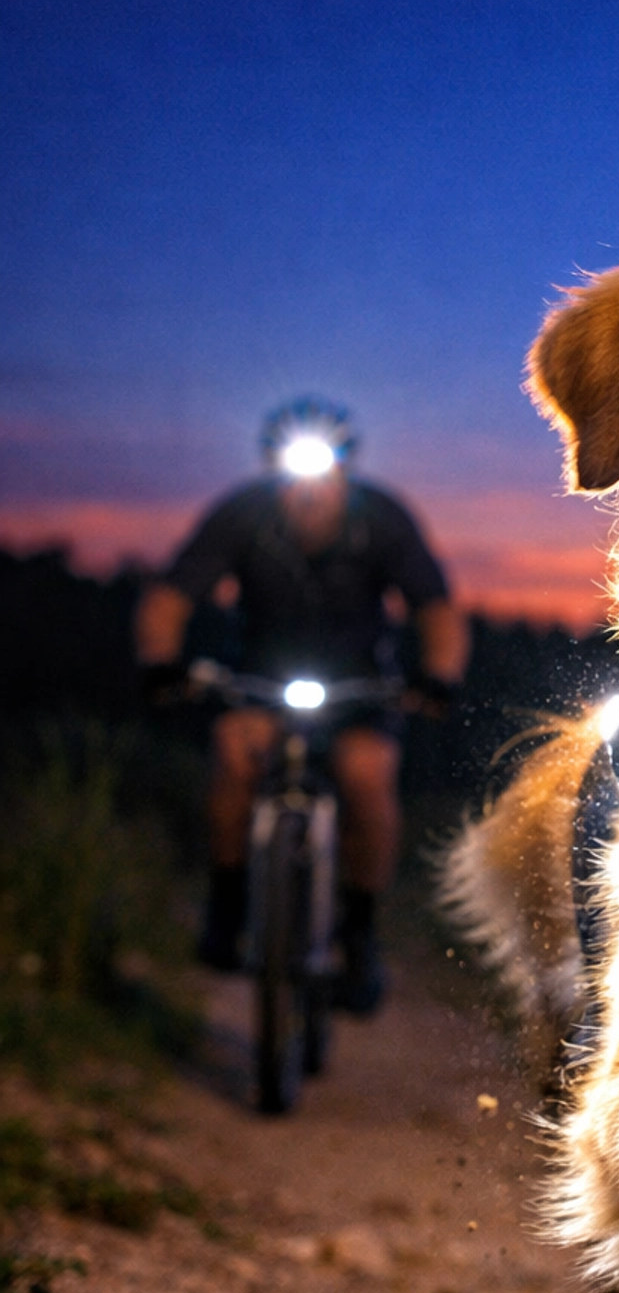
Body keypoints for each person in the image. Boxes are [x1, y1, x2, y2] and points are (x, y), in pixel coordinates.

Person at [135, 398, 469, 1013]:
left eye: (323, 475)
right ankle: (228, 905)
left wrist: (438, 676)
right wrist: (160, 661)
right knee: (235, 755)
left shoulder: (383, 520)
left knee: (366, 776)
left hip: (360, 688)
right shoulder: (243, 516)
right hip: (260, 680)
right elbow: (172, 596)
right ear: (272, 473)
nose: (309, 492)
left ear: (345, 470)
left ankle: (361, 935)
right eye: (293, 477)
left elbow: (436, 608)